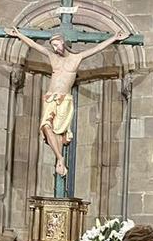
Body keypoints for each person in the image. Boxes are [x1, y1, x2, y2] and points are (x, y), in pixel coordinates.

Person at [8, 28, 129, 177]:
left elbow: (97, 48)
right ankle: (60, 158)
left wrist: (114, 38)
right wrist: (19, 35)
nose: (55, 48)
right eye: (52, 46)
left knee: (59, 131)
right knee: (45, 126)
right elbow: (34, 45)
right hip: (50, 97)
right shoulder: (53, 58)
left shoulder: (76, 58)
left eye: (56, 44)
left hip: (64, 99)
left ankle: (60, 162)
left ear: (63, 43)